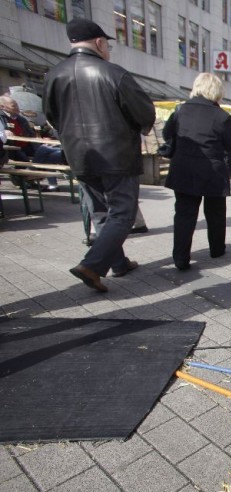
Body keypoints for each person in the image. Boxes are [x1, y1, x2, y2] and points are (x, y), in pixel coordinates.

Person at [43, 18, 155, 292]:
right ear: (99, 43)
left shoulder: (54, 75)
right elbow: (144, 113)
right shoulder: (113, 73)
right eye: (108, 45)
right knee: (123, 213)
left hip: (79, 155)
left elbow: (52, 117)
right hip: (116, 155)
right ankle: (92, 265)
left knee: (101, 212)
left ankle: (118, 263)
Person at [163, 73, 231, 270]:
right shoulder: (221, 116)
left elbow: (166, 133)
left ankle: (181, 258)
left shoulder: (180, 110)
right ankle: (216, 249)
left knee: (184, 214)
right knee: (215, 212)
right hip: (212, 171)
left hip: (184, 168)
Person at [0, 95, 63, 191]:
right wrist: (5, 132)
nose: (17, 107)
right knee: (24, 156)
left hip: (27, 146)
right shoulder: (1, 118)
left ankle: (42, 179)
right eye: (13, 105)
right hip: (11, 148)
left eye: (17, 104)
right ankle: (29, 176)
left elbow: (31, 134)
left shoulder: (21, 119)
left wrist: (42, 139)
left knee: (47, 150)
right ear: (2, 107)